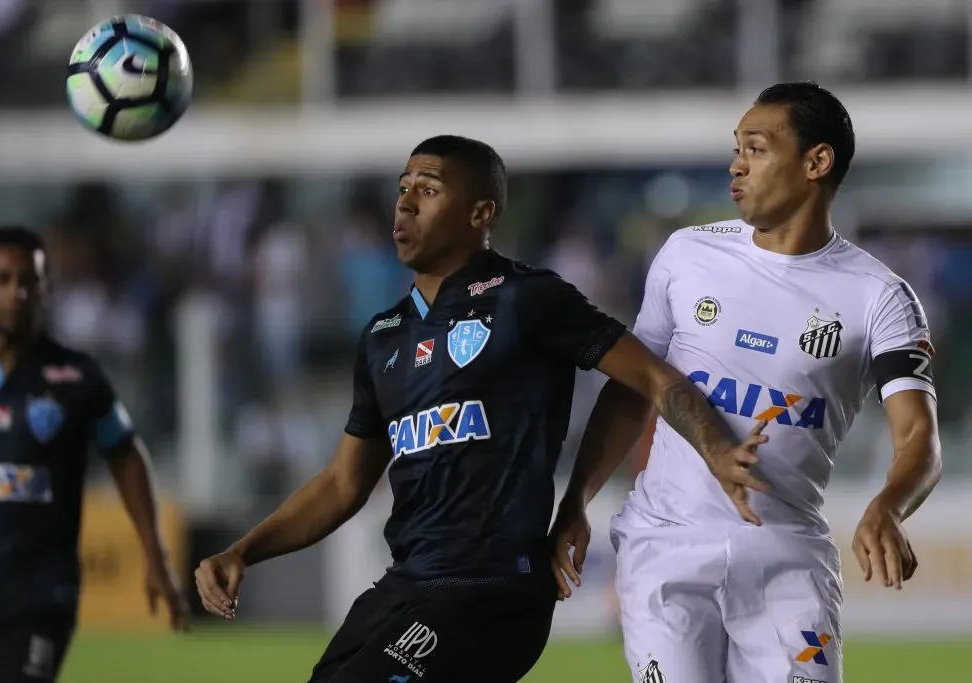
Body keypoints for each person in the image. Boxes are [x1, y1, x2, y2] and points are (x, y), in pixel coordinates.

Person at [194, 135, 766, 683]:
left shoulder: (528, 298)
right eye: (402, 187)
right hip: (408, 587)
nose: (406, 203)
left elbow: (649, 377)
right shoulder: (383, 337)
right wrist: (243, 551)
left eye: (429, 188)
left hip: (492, 591)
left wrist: (712, 448)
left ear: (480, 213)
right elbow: (344, 484)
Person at [550, 82, 942, 683]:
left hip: (787, 555)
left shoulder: (879, 297)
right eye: (737, 148)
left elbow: (919, 437)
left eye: (756, 148)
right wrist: (577, 499)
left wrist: (890, 505)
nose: (737, 164)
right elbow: (633, 389)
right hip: (668, 546)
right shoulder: (686, 255)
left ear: (817, 162)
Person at [0, 227, 187, 683]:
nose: (16, 293)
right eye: (1, 279)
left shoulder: (77, 377)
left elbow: (124, 452)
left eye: (28, 280)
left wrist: (154, 553)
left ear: (46, 288)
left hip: (36, 598)